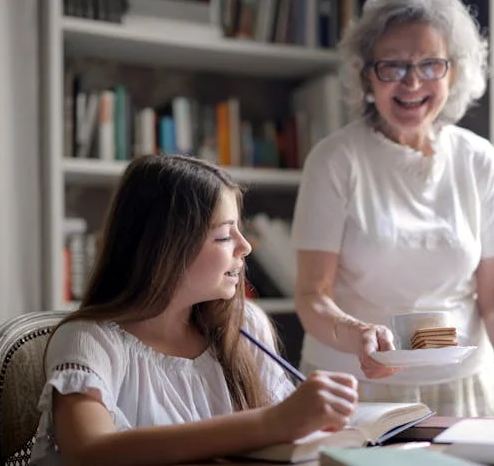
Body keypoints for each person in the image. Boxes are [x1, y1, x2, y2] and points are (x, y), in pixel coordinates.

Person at [291, 0, 494, 418]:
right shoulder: (335, 159)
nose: (412, 83)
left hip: (462, 384)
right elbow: (310, 295)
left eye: (430, 64)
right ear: (367, 75)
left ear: (455, 71)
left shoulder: (479, 159)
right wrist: (358, 335)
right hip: (352, 385)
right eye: (392, 66)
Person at [30, 155, 359, 466]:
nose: (245, 246)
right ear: (165, 248)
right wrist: (271, 422)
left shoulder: (244, 327)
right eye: (223, 236)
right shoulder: (90, 341)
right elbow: (89, 453)